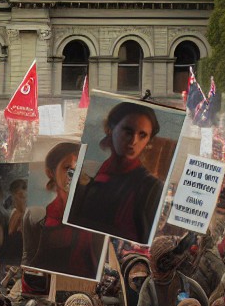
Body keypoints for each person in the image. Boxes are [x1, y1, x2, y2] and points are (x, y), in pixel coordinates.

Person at [66, 102, 165, 244]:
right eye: (128, 131)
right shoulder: (89, 172)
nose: (133, 141)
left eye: (142, 135)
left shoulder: (150, 187)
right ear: (110, 129)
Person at [21, 143, 104, 277]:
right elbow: (28, 261)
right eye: (67, 168)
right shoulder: (38, 217)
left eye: (78, 168)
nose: (73, 175)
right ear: (50, 172)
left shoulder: (95, 216)